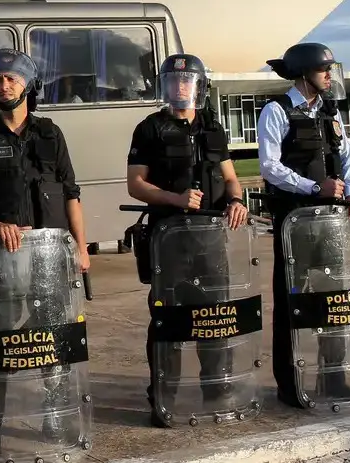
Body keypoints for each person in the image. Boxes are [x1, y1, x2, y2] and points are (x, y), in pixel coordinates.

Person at [0, 48, 90, 455]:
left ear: (28, 85)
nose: (4, 85)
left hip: (51, 261)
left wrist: (81, 249)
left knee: (53, 340)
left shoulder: (51, 134)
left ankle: (56, 414)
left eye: (11, 78)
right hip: (0, 262)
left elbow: (70, 193)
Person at [125, 53, 250, 428]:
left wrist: (237, 200)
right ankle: (164, 395)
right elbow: (136, 184)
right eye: (173, 81)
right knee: (168, 321)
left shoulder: (212, 127)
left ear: (199, 86)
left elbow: (230, 177)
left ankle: (217, 390)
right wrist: (175, 199)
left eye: (187, 81)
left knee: (214, 318)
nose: (180, 87)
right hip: (169, 242)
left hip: (211, 241)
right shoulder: (149, 128)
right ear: (164, 86)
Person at [257, 42, 350, 409]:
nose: (329, 75)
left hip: (331, 223)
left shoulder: (330, 112)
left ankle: (333, 380)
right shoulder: (277, 111)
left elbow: (347, 157)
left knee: (332, 300)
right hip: (295, 221)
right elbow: (270, 167)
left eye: (331, 69)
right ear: (305, 72)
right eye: (324, 69)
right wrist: (314, 187)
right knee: (292, 304)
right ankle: (289, 386)